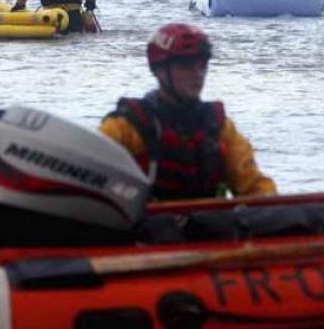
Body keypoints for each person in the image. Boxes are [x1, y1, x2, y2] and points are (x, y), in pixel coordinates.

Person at [100, 23, 277, 201]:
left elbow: (254, 186)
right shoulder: (126, 125)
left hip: (207, 225)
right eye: (186, 66)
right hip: (143, 224)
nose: (197, 74)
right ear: (160, 70)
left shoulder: (219, 126)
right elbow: (95, 177)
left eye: (202, 65)